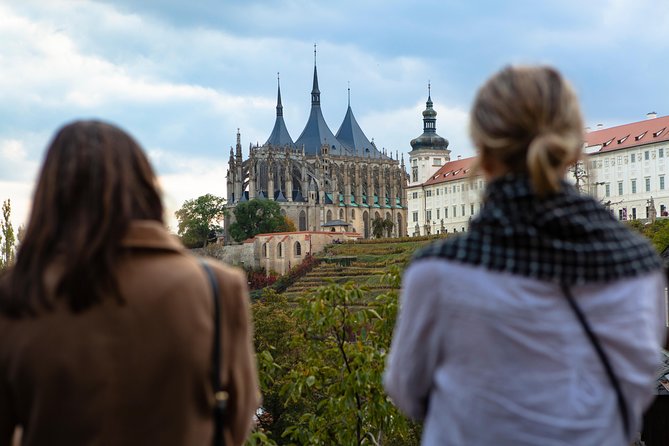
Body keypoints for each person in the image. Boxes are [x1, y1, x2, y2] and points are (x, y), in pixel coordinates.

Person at [384, 66, 666, 445]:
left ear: (483, 153)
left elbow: (406, 390)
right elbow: (638, 388)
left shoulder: (438, 271)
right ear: (570, 150)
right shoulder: (639, 265)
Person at [0, 120, 259, 446]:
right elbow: (236, 423)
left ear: (51, 196)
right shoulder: (216, 288)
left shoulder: (18, 297)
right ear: (144, 188)